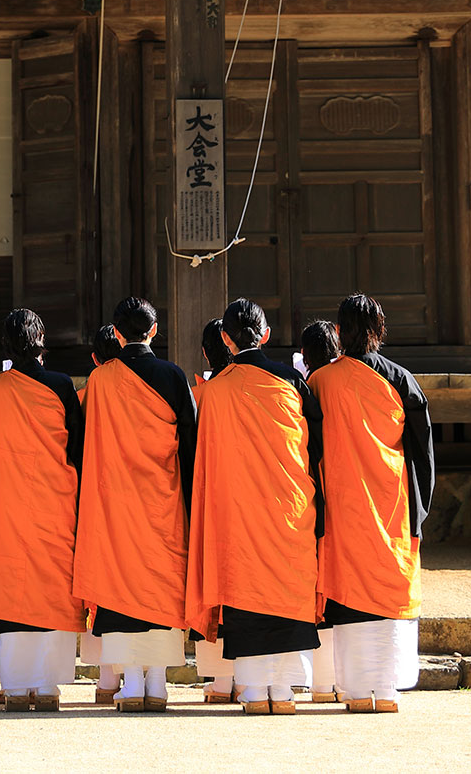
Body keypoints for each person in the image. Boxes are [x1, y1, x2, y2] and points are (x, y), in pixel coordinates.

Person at [186, 299, 322, 716]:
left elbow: (203, 458)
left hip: (239, 512)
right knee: (287, 588)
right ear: (265, 334)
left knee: (246, 590)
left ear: (225, 339)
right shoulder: (294, 383)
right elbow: (315, 445)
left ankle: (251, 689)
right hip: (289, 507)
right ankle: (282, 690)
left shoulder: (215, 391)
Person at [311, 294, 435, 713]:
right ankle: (387, 690)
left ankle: (356, 690)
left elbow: (306, 449)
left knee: (347, 597)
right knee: (385, 595)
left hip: (343, 507)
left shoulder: (321, 382)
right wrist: (420, 509)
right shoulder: (402, 381)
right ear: (379, 331)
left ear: (340, 332)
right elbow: (422, 451)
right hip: (392, 505)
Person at [74, 296, 196, 712]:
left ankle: (129, 682)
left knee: (119, 583)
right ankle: (158, 682)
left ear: (119, 334)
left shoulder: (101, 382)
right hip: (163, 500)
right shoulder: (174, 376)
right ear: (154, 330)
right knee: (161, 583)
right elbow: (192, 443)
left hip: (115, 504)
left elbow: (80, 442)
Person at [0, 309, 85, 712]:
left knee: (8, 590)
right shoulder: (61, 386)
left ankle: (16, 686)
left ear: (6, 345)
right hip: (53, 503)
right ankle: (48, 686)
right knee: (49, 587)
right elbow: (77, 449)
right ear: (42, 341)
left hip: (4, 505)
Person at [191, 315, 238, 704]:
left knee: (215, 583)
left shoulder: (206, 393)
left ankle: (221, 682)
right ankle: (248, 675)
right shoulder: (265, 389)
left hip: (211, 503)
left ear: (207, 352)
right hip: (253, 505)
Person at [78, 321, 125, 703]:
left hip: (98, 499)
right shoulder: (159, 385)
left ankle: (108, 679)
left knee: (104, 587)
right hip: (150, 503)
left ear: (95, 359)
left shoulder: (88, 393)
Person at [298, 318, 344, 702]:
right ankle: (334, 681)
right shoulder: (352, 380)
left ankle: (318, 683)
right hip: (351, 495)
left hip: (316, 493)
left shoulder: (309, 386)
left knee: (319, 589)